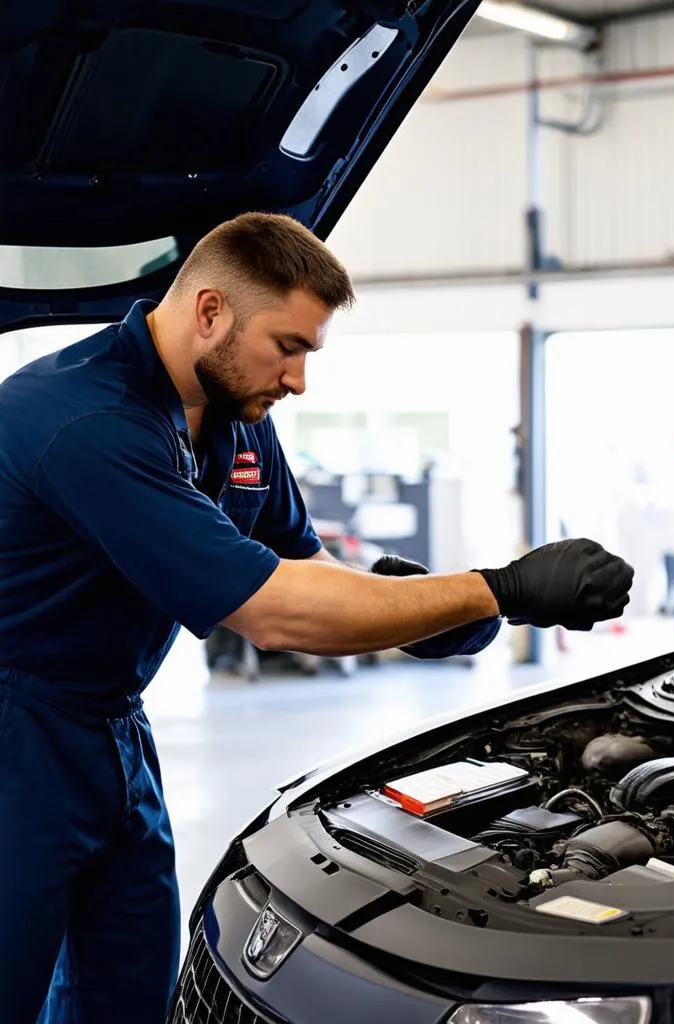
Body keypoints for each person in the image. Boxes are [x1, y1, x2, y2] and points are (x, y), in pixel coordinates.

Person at [0, 212, 634, 1023]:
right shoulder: (83, 419)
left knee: (128, 989)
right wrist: (497, 590)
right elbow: (271, 612)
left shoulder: (237, 422)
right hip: (19, 732)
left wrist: (416, 610)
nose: (299, 380)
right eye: (289, 346)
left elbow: (305, 570)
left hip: (113, 729)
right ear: (209, 312)